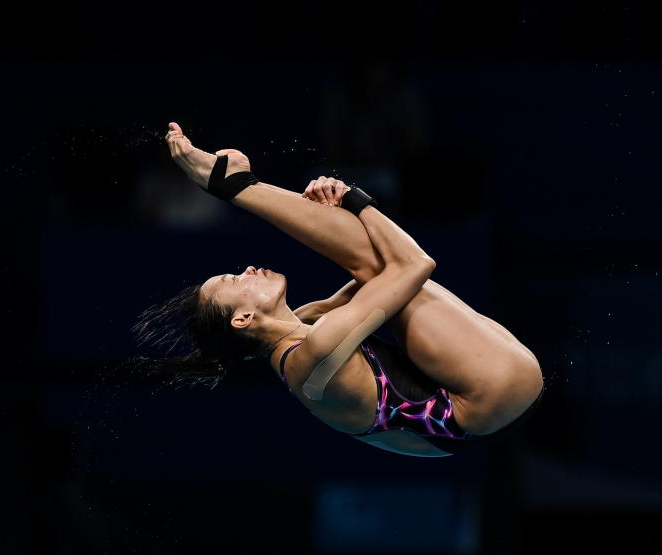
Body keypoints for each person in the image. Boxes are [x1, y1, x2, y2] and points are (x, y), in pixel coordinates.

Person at [130, 122, 544, 458]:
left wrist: (331, 209)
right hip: (494, 395)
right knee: (382, 269)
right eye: (235, 281)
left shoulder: (298, 335)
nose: (249, 269)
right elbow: (414, 265)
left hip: (486, 417)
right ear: (243, 319)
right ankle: (238, 187)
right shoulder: (316, 350)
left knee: (376, 273)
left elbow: (370, 283)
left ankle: (239, 186)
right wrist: (354, 198)